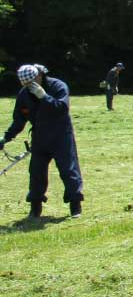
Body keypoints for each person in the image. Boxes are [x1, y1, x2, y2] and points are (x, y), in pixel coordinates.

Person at [0, 64, 84, 218]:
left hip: (61, 136)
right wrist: (5, 138)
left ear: (39, 76)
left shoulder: (58, 86)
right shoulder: (24, 94)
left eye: (31, 83)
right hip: (39, 137)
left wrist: (44, 97)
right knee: (36, 172)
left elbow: (61, 108)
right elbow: (19, 120)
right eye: (25, 85)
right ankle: (35, 209)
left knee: (68, 169)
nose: (28, 88)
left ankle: (75, 206)